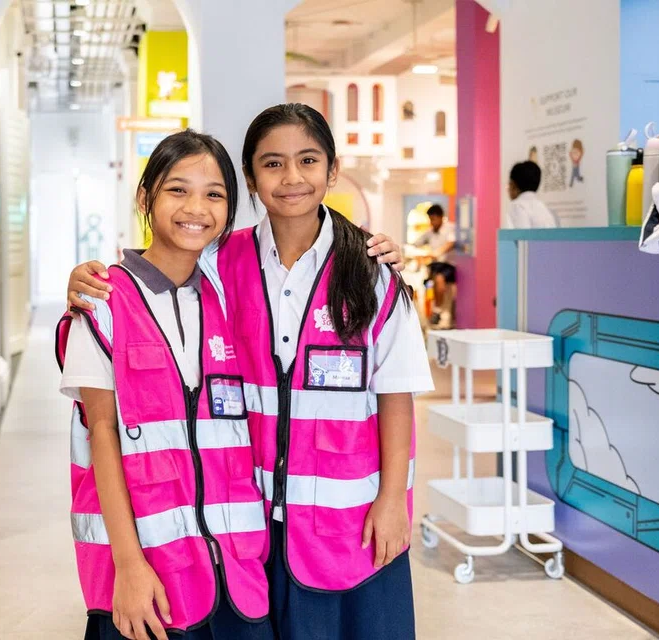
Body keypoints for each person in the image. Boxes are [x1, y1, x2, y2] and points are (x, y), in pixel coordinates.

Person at [68, 104, 433, 640]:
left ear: (332, 171)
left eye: (308, 160)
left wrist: (393, 499)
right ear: (252, 179)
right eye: (272, 164)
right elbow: (154, 279)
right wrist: (84, 282)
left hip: (351, 523)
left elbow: (396, 393)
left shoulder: (370, 270)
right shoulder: (219, 264)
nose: (291, 178)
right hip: (251, 523)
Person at [55, 130, 274, 640]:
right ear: (146, 197)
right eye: (178, 189)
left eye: (214, 194)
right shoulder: (104, 304)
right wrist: (129, 567)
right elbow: (101, 436)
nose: (196, 207)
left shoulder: (228, 305)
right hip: (148, 578)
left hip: (234, 578)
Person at [412, 204, 456, 327]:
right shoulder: (429, 232)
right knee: (429, 280)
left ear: (441, 217)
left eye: (433, 219)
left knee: (439, 279)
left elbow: (450, 244)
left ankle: (437, 311)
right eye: (430, 219)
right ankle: (434, 311)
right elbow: (416, 243)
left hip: (448, 265)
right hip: (435, 266)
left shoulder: (450, 228)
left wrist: (436, 253)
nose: (432, 222)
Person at [506, 161, 559, 229]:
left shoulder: (517, 206)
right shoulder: (543, 207)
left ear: (513, 185)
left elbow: (522, 237)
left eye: (509, 184)